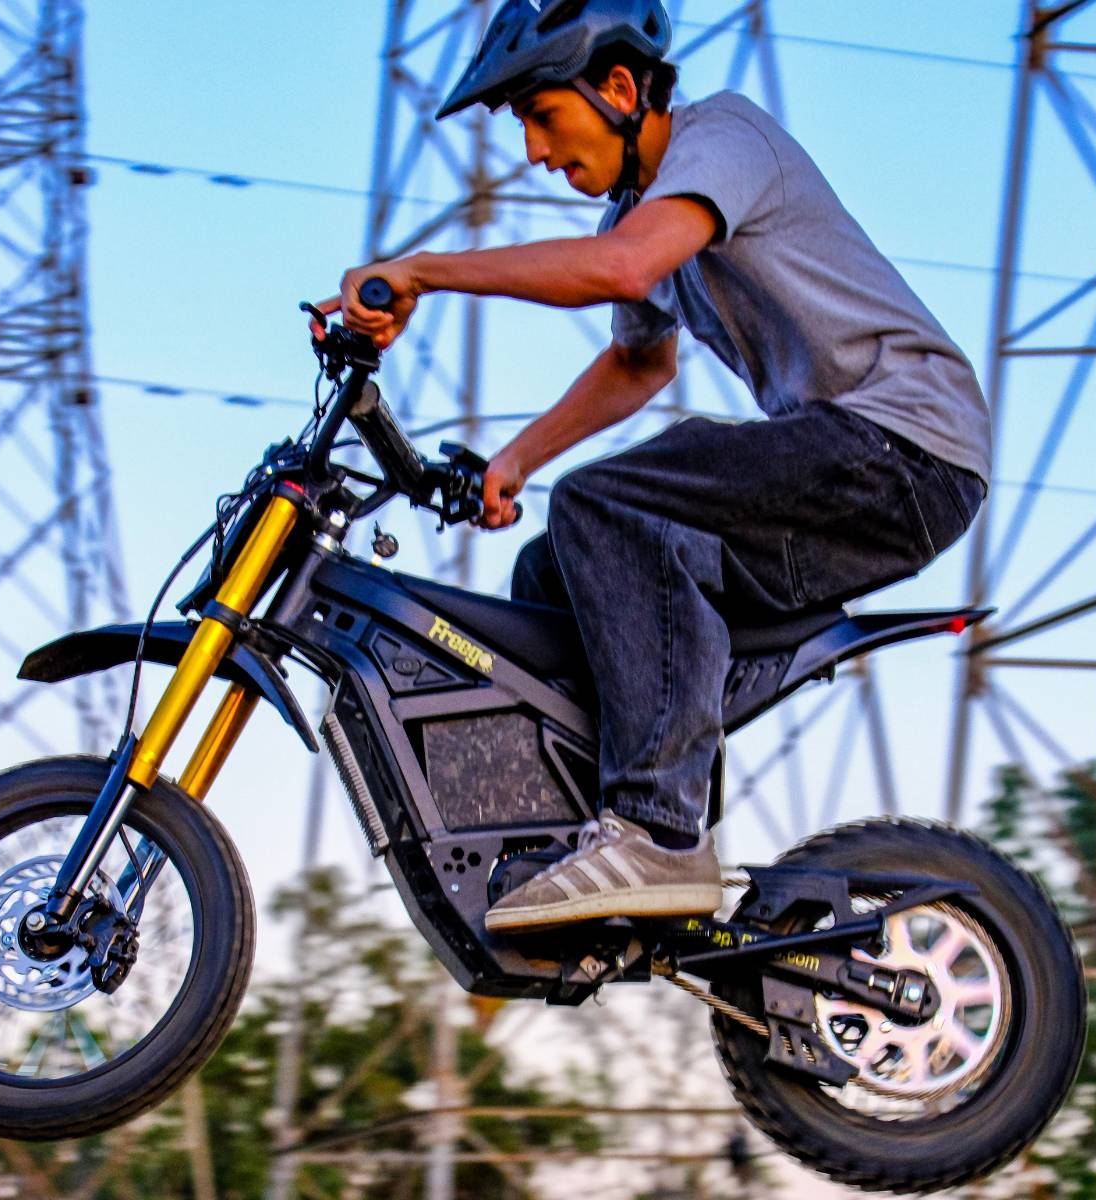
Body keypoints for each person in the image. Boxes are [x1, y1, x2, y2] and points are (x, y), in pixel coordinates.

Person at [314, 0, 990, 934]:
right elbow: (640, 361)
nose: (537, 153)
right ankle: (586, 839)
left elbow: (624, 268)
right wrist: (512, 462)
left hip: (903, 449)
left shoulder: (722, 141)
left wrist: (425, 270)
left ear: (621, 88)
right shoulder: (645, 208)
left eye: (543, 118)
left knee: (606, 504)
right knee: (555, 568)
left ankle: (660, 832)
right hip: (843, 468)